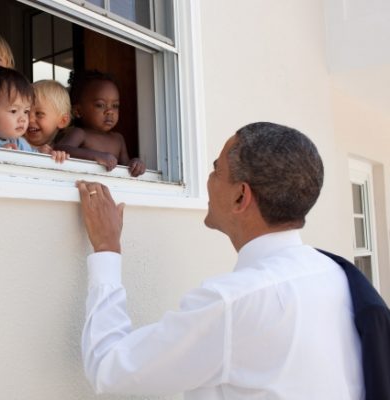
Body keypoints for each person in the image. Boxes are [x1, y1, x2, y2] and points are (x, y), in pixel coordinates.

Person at [76, 122, 364, 399]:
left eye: (216, 170)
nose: (208, 179)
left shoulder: (233, 303)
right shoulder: (336, 274)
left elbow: (108, 367)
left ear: (241, 197)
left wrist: (106, 247)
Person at [54, 70, 145, 177]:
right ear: (78, 111)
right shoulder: (80, 133)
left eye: (115, 106)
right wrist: (95, 156)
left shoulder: (118, 139)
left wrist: (136, 163)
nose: (110, 111)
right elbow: (60, 149)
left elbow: (126, 167)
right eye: (100, 105)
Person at [0, 67, 68, 162]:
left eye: (26, 111)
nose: (24, 119)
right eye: (13, 111)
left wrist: (50, 156)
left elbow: (35, 162)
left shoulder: (19, 142)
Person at [25, 80, 71, 163]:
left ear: (62, 121)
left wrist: (58, 157)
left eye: (39, 114)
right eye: (26, 112)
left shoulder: (61, 148)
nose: (30, 119)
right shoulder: (13, 142)